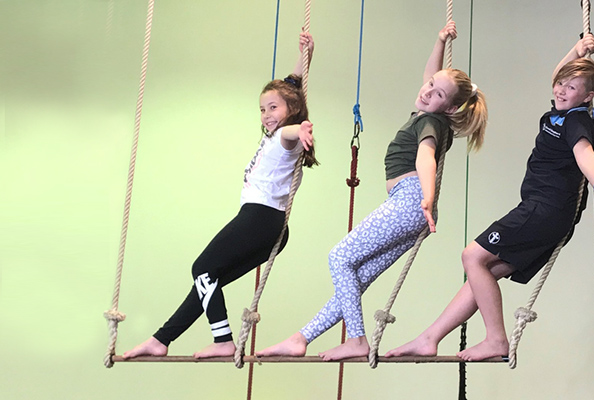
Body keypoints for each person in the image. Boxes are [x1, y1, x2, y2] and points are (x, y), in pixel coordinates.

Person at [257, 21, 488, 361]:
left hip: (411, 201)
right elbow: (432, 74)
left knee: (339, 257)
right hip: (411, 205)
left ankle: (357, 340)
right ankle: (301, 337)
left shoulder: (430, 123)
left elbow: (425, 157)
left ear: (450, 107)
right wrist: (439, 40)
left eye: (437, 93)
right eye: (429, 85)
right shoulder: (432, 113)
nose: (427, 90)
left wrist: (426, 196)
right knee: (355, 276)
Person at [386, 33, 594, 362]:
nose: (561, 90)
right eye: (561, 84)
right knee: (486, 270)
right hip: (549, 215)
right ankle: (431, 337)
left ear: (588, 96)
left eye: (571, 88)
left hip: (544, 211)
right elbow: (561, 73)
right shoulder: (563, 110)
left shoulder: (576, 122)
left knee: (472, 257)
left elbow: (586, 157)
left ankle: (496, 340)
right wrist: (577, 49)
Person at [122, 32, 318, 360]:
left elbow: (290, 131)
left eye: (273, 107)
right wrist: (305, 55)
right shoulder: (273, 135)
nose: (267, 114)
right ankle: (161, 339)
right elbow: (294, 85)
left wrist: (301, 129)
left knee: (201, 267)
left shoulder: (285, 138)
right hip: (271, 226)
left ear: (291, 110)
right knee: (206, 282)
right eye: (262, 109)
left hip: (260, 218)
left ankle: (223, 340)